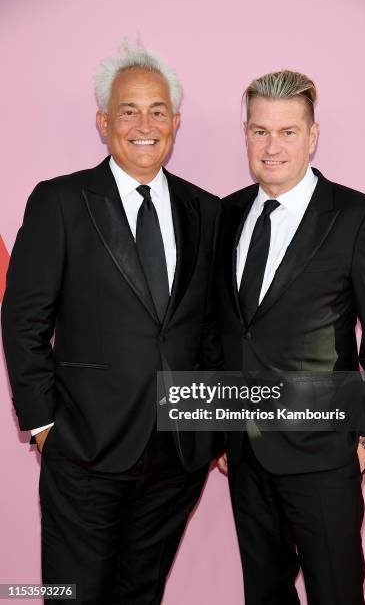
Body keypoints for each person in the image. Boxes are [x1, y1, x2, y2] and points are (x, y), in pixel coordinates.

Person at [1, 42, 221, 604]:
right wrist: (43, 424)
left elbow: (216, 328)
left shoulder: (208, 210)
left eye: (157, 111)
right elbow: (24, 318)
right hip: (84, 451)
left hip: (177, 454)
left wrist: (214, 425)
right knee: (71, 594)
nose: (144, 125)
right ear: (103, 122)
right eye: (129, 111)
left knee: (140, 594)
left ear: (175, 121)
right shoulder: (60, 202)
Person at [215, 70, 365, 604]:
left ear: (313, 135)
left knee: (337, 593)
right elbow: (218, 330)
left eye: (287, 132)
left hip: (324, 454)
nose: (271, 146)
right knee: (266, 593)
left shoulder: (358, 217)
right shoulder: (224, 214)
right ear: (246, 133)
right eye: (258, 131)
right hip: (244, 454)